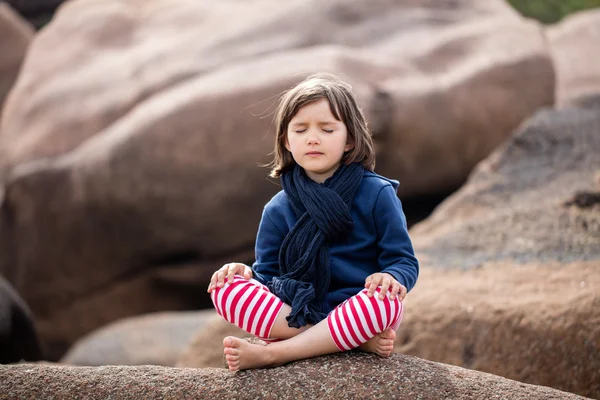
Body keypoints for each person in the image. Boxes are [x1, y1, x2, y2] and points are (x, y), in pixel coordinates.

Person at [207, 73, 419, 371]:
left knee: (385, 302)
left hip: (359, 308)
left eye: (327, 129)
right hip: (298, 310)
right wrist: (244, 274)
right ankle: (349, 342)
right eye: (301, 129)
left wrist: (391, 278)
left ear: (351, 139)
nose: (313, 138)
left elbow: (403, 260)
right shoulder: (277, 209)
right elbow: (268, 278)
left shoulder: (377, 194)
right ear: (287, 140)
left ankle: (277, 352)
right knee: (225, 289)